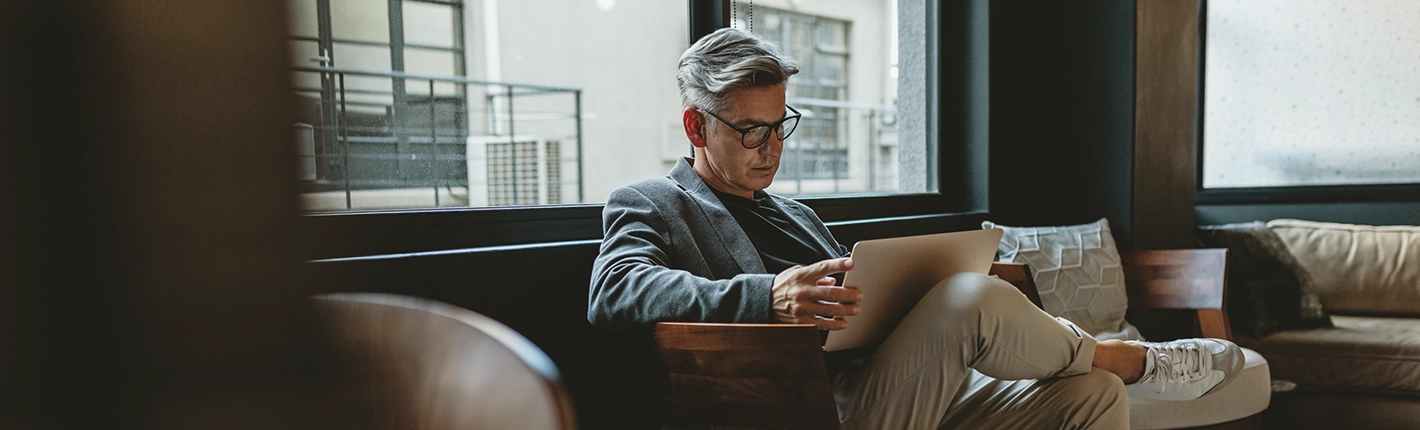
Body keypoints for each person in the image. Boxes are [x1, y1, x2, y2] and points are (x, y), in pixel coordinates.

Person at [588, 28, 1243, 429]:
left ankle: (1108, 367)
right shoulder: (652, 202)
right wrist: (770, 297)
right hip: (803, 410)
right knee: (974, 299)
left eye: (779, 124)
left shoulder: (796, 214)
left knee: (1092, 399)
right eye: (749, 129)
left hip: (898, 387)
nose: (771, 146)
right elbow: (616, 293)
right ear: (696, 127)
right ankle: (1132, 359)